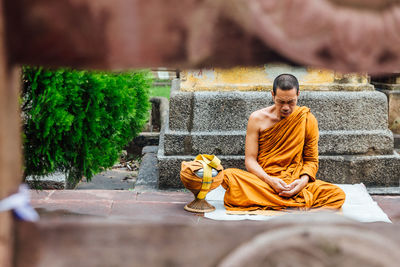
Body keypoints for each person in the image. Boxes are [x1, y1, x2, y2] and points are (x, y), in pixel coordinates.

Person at [222, 74, 346, 211]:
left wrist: (302, 182)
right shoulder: (257, 119)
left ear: (298, 94)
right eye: (281, 102)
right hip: (265, 181)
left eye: (291, 102)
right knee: (229, 176)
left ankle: (276, 202)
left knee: (337, 195)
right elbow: (250, 160)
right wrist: (270, 180)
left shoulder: (307, 119)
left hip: (294, 182)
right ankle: (294, 205)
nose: (286, 107)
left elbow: (311, 160)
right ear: (273, 95)